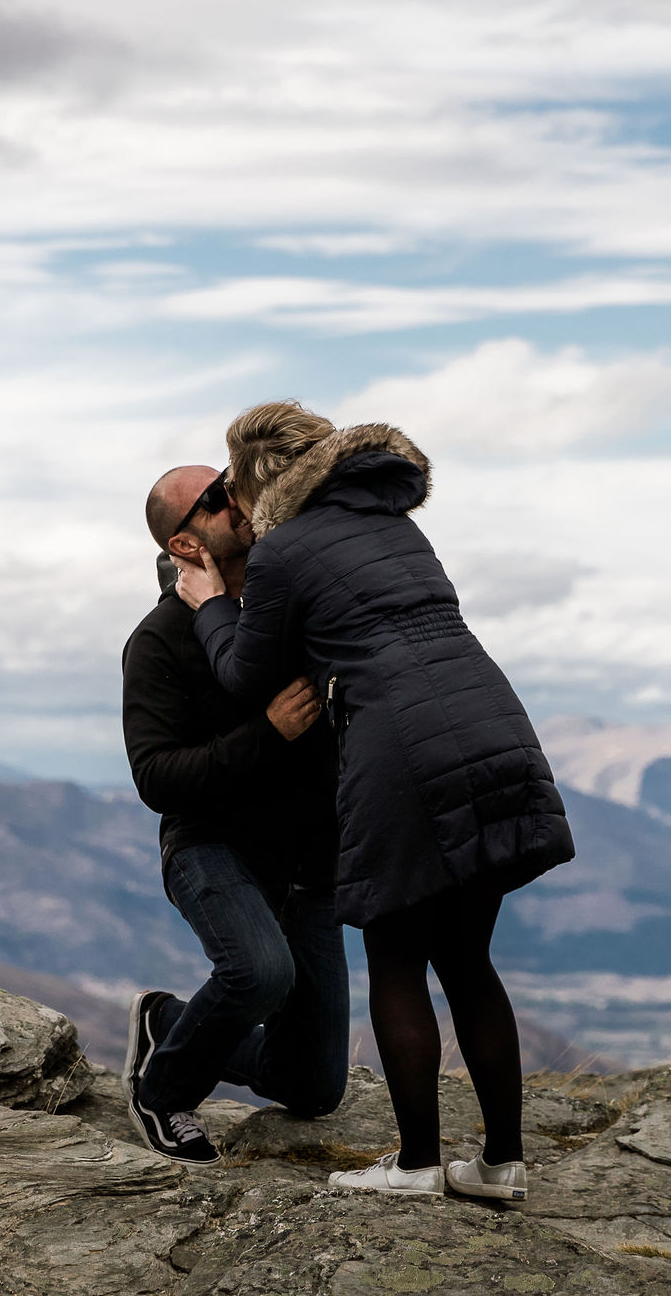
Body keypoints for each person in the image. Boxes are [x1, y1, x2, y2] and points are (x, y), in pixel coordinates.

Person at [172, 403, 574, 1200]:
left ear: (257, 482)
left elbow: (247, 673)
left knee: (396, 956)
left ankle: (419, 1164)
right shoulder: (398, 527)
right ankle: (501, 1164)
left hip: (404, 747)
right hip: (494, 726)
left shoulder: (285, 549)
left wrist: (210, 603)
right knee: (466, 958)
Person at [118, 463, 349, 1165]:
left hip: (305, 863)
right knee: (259, 971)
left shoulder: (285, 609)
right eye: (217, 498)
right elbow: (157, 776)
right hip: (209, 847)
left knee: (313, 1087)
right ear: (186, 546)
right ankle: (162, 1090)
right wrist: (266, 732)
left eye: (230, 482)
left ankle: (169, 1020)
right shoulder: (159, 639)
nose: (237, 498)